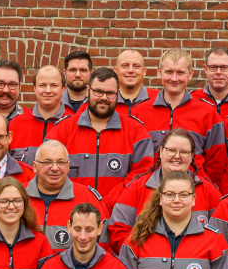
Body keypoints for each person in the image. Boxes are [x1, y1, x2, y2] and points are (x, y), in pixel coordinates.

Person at [53, 69, 153, 201]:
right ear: (88, 90)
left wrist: (109, 203)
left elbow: (142, 174)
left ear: (118, 94)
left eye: (110, 93)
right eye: (98, 92)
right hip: (72, 211)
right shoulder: (63, 129)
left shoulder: (135, 130)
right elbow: (50, 170)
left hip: (118, 213)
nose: (104, 98)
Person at [133, 49, 228, 183]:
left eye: (180, 73)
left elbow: (216, 164)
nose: (174, 78)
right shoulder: (140, 111)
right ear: (159, 72)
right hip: (149, 190)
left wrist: (200, 184)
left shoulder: (207, 112)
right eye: (169, 72)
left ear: (190, 74)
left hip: (193, 192)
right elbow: (134, 160)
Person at [109, 130, 218, 248]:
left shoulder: (209, 190)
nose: (177, 156)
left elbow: (219, 235)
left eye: (184, 152)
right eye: (171, 151)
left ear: (192, 156)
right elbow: (118, 229)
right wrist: (147, 252)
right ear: (161, 152)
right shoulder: (137, 187)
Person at [25, 140, 106, 252]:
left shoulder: (88, 198)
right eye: (47, 162)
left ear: (68, 166)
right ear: (34, 166)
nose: (54, 168)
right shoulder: (18, 196)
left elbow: (104, 247)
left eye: (61, 162)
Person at [12, 65, 69, 159]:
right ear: (35, 88)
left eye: (54, 85)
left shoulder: (73, 125)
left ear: (63, 89)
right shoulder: (15, 125)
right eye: (42, 85)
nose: (47, 90)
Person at [195, 46, 228, 121]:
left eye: (224, 67)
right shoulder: (193, 99)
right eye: (213, 67)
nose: (218, 72)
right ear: (206, 69)